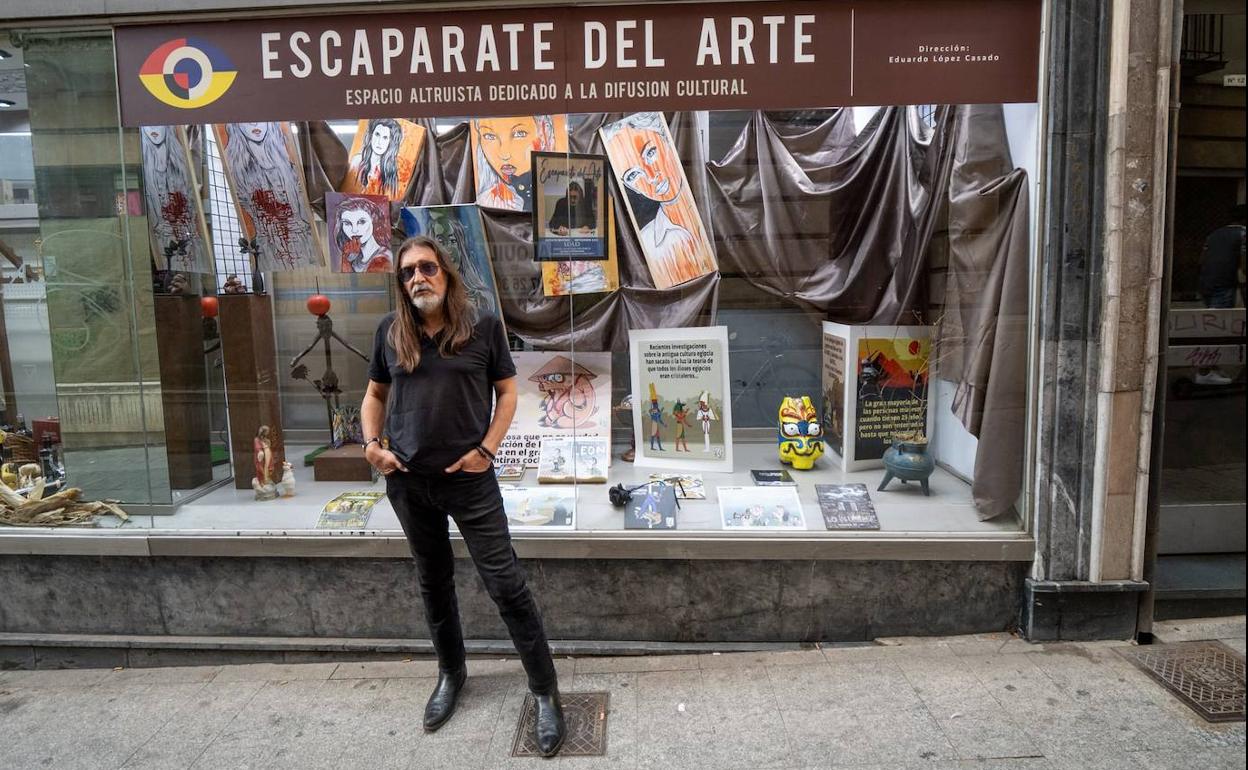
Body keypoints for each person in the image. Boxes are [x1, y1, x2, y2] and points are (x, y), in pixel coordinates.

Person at [360, 235, 565, 756]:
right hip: (408, 480)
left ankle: (545, 690)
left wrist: (488, 451)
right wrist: (371, 446)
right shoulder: (390, 331)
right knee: (434, 583)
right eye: (407, 273)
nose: (417, 279)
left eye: (426, 268)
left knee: (506, 584)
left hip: (470, 479)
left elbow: (509, 392)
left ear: (445, 273)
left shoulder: (483, 327)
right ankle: (452, 674)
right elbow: (375, 395)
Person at [1195, 204, 1245, 386]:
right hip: (1224, 284)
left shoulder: (1214, 234)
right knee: (1216, 328)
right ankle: (1205, 371)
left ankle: (1212, 368)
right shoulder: (1243, 234)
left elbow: (1201, 260)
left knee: (1211, 325)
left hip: (1206, 284)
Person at [334, 196, 393, 273]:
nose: (354, 230)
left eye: (361, 222)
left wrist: (346, 261)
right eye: (347, 223)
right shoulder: (355, 256)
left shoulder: (381, 259)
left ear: (374, 222)